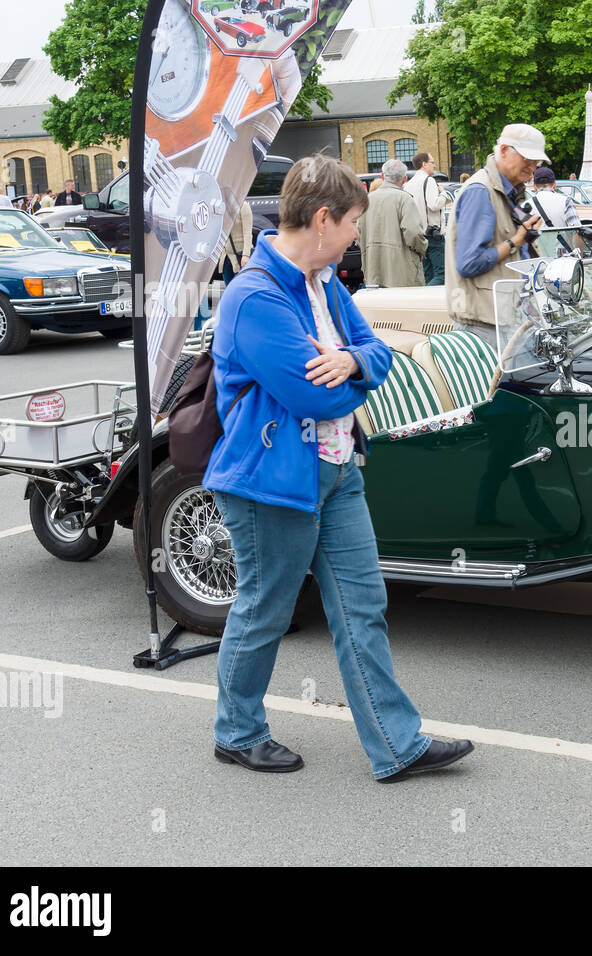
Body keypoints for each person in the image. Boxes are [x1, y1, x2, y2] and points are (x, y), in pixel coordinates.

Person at [204, 154, 472, 781]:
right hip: (271, 481)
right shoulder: (254, 298)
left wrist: (351, 363)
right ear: (323, 220)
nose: (358, 233)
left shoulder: (323, 282)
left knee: (362, 606)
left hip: (336, 469)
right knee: (265, 608)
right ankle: (236, 731)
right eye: (353, 222)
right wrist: (357, 375)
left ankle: (396, 745)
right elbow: (314, 396)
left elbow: (374, 352)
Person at [446, 123, 546, 336]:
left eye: (536, 161)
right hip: (485, 323)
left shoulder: (505, 190)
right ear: (503, 150)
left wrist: (525, 234)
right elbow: (468, 263)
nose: (533, 167)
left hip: (502, 315)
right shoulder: (481, 191)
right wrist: (515, 241)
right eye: (527, 159)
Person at [358, 158, 427, 288]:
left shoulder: (367, 200)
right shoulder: (405, 199)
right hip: (402, 272)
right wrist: (422, 248)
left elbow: (358, 232)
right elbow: (413, 232)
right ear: (405, 179)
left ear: (383, 176)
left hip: (373, 268)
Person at [407, 151, 447, 286]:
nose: (435, 166)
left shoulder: (409, 183)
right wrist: (444, 195)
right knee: (442, 275)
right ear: (424, 164)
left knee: (427, 274)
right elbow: (433, 204)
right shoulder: (429, 181)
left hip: (419, 235)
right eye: (432, 162)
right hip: (434, 234)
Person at [222, 198, 253, 286]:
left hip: (240, 256)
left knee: (243, 288)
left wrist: (246, 255)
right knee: (229, 289)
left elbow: (248, 233)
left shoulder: (243, 206)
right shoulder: (222, 208)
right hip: (226, 257)